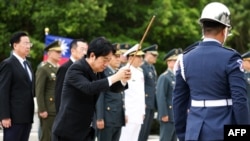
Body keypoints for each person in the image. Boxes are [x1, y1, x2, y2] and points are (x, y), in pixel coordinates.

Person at [173, 2, 250, 141]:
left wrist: (184, 134)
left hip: (194, 131)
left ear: (203, 28)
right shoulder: (231, 57)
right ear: (224, 30)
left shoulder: (184, 59)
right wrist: (243, 133)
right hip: (223, 130)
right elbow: (239, 100)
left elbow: (178, 102)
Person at [52, 37, 131, 141]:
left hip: (86, 131)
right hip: (68, 131)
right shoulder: (75, 69)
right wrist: (116, 76)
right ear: (93, 55)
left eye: (109, 60)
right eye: (105, 60)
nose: (106, 64)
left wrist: (123, 79)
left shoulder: (98, 70)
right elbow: (89, 87)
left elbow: (113, 87)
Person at [0, 31, 34, 141]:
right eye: (25, 43)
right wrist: (4, 116)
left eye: (29, 43)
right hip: (13, 118)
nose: (28, 46)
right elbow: (3, 91)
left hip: (27, 116)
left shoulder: (28, 64)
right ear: (15, 45)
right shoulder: (8, 64)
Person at [95, 44, 125, 141]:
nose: (118, 59)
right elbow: (100, 96)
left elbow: (120, 94)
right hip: (107, 117)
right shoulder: (103, 73)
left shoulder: (117, 73)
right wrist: (99, 117)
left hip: (117, 117)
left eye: (119, 57)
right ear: (109, 58)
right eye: (115, 57)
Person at [35, 40, 62, 141]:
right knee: (47, 137)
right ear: (49, 53)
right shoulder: (44, 69)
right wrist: (42, 109)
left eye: (60, 52)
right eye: (57, 52)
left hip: (58, 109)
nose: (60, 54)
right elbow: (39, 91)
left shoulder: (59, 68)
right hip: (48, 110)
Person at [119, 44, 145, 141]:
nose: (141, 59)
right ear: (131, 58)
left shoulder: (140, 72)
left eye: (141, 56)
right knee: (125, 138)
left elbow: (141, 94)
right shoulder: (125, 70)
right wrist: (124, 112)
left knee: (134, 138)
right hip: (128, 112)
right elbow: (122, 93)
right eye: (138, 56)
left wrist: (142, 111)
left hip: (138, 113)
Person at [55, 39, 88, 112]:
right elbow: (59, 94)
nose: (85, 52)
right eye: (82, 49)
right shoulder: (65, 68)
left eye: (86, 50)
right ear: (73, 50)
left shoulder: (85, 68)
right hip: (68, 112)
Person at [156, 48, 182, 141]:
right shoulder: (164, 77)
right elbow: (161, 97)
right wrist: (163, 114)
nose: (177, 63)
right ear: (168, 62)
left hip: (176, 115)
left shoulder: (177, 77)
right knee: (165, 138)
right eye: (175, 61)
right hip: (168, 115)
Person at [138, 44, 158, 141]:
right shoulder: (142, 67)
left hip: (151, 103)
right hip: (144, 103)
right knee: (141, 131)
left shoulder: (152, 68)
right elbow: (140, 86)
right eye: (153, 55)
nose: (155, 58)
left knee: (146, 131)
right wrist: (142, 102)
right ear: (147, 54)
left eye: (156, 56)